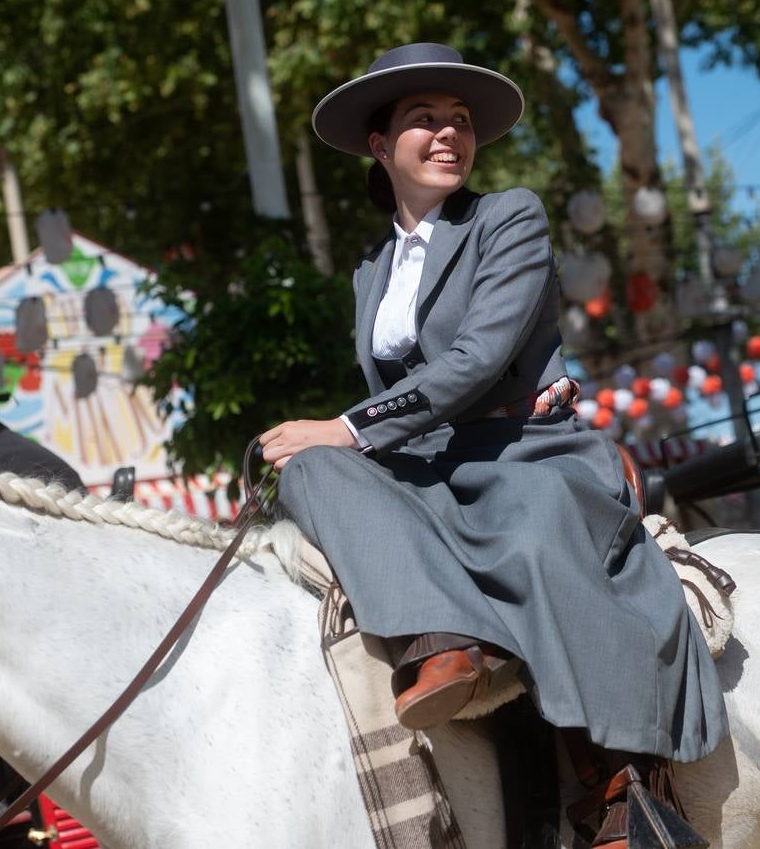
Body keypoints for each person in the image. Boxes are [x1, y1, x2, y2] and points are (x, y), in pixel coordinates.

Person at [260, 43, 727, 766]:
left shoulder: (509, 216)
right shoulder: (369, 269)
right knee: (308, 471)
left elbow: (477, 358)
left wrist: (347, 426)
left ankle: (624, 776)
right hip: (426, 460)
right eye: (425, 119)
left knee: (529, 528)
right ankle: (440, 640)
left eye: (460, 120)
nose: (449, 133)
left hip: (521, 451)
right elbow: (396, 393)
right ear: (380, 145)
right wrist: (319, 441)